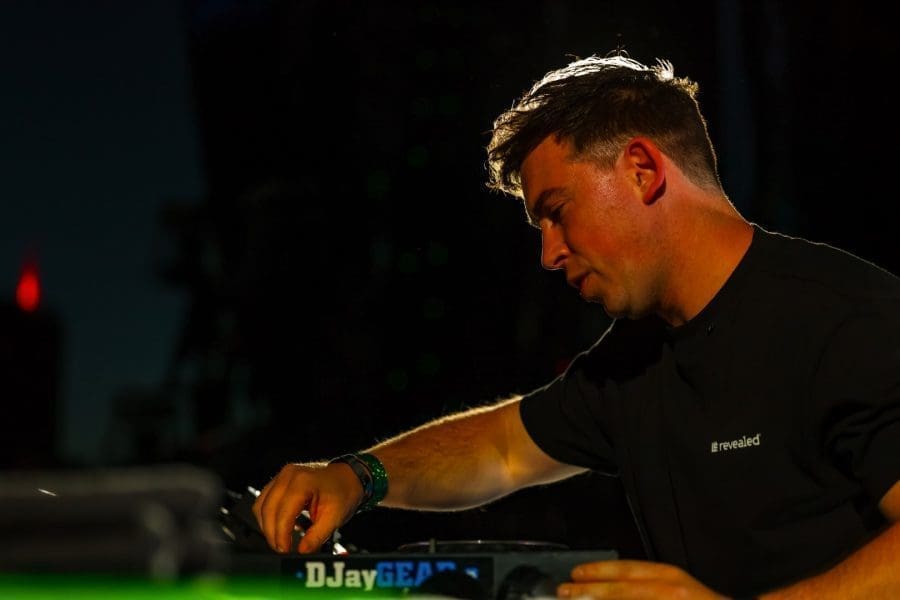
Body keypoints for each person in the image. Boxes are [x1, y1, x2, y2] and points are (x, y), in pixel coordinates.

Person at [253, 54, 900, 599]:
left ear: (643, 170)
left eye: (558, 212)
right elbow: (501, 449)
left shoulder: (846, 319)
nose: (549, 254)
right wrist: (358, 477)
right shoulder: (635, 361)